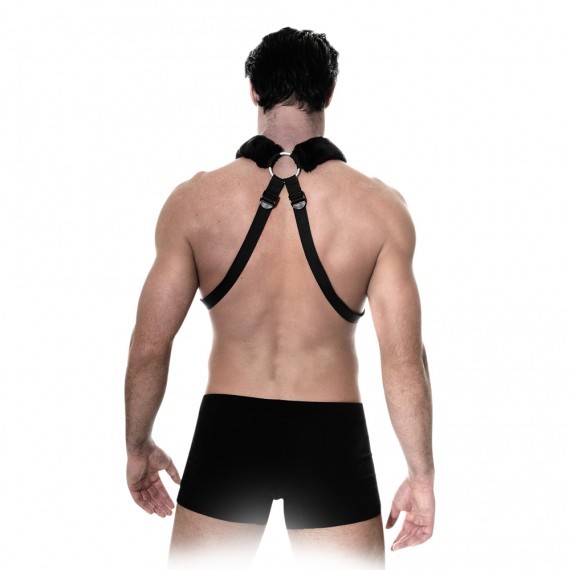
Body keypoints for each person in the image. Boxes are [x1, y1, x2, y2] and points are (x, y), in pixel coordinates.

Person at [124, 27, 434, 569]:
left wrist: (137, 447)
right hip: (330, 436)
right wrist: (422, 476)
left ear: (254, 90)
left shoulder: (195, 203)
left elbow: (150, 346)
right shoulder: (380, 210)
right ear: (329, 94)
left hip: (229, 432)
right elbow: (404, 360)